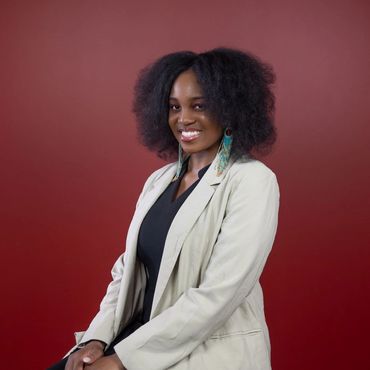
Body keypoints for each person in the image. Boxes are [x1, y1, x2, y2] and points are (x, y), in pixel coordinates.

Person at [48, 47, 280, 370]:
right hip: (137, 337)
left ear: (230, 109)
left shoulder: (252, 181)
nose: (183, 118)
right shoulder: (159, 181)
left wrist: (121, 361)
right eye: (174, 107)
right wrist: (95, 340)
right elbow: (126, 271)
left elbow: (218, 295)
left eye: (199, 105)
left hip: (202, 352)